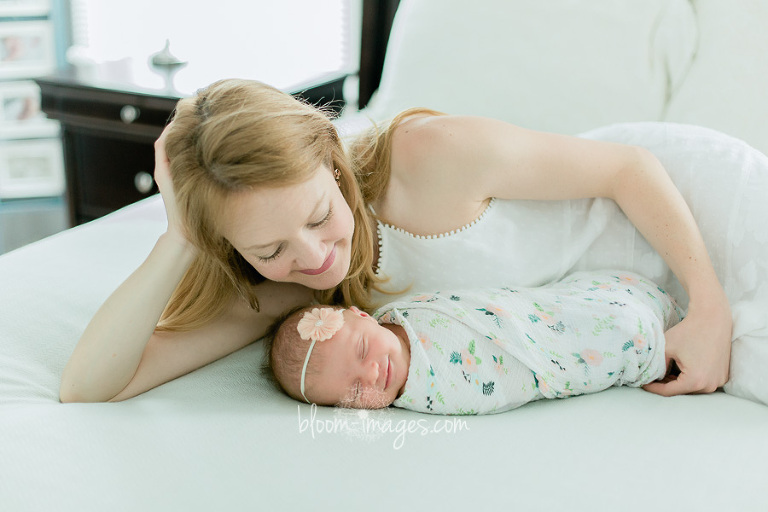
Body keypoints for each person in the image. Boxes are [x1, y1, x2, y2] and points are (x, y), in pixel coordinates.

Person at [60, 77, 767, 405]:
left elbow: (628, 170)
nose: (310, 258)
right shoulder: (290, 294)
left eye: (315, 217)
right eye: (267, 248)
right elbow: (91, 386)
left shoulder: (427, 158)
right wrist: (181, 237)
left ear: (333, 163)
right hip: (629, 311)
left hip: (681, 219)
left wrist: (707, 306)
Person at [267, 271, 685, 414]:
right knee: (618, 333)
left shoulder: (404, 312)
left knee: (579, 307)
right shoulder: (427, 394)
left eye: (361, 352)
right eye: (355, 391)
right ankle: (648, 341)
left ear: (362, 316)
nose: (373, 373)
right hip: (544, 357)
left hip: (536, 313)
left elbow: (490, 303)